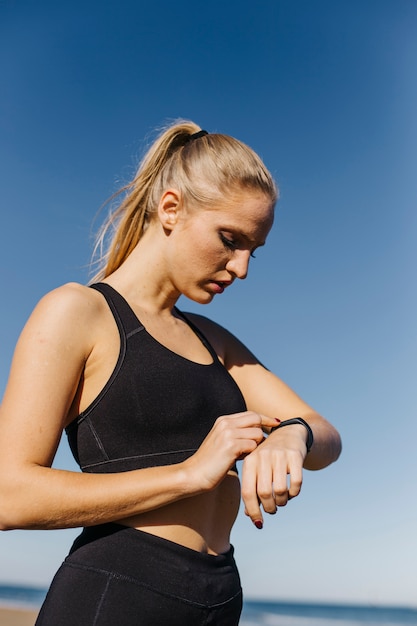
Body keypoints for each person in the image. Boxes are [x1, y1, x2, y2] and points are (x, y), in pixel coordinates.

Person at [0, 121, 341, 625]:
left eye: (253, 250)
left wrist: (292, 435)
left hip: (220, 597)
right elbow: (9, 495)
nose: (241, 268)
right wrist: (187, 475)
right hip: (120, 592)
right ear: (171, 208)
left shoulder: (213, 339)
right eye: (230, 239)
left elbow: (327, 437)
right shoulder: (77, 311)